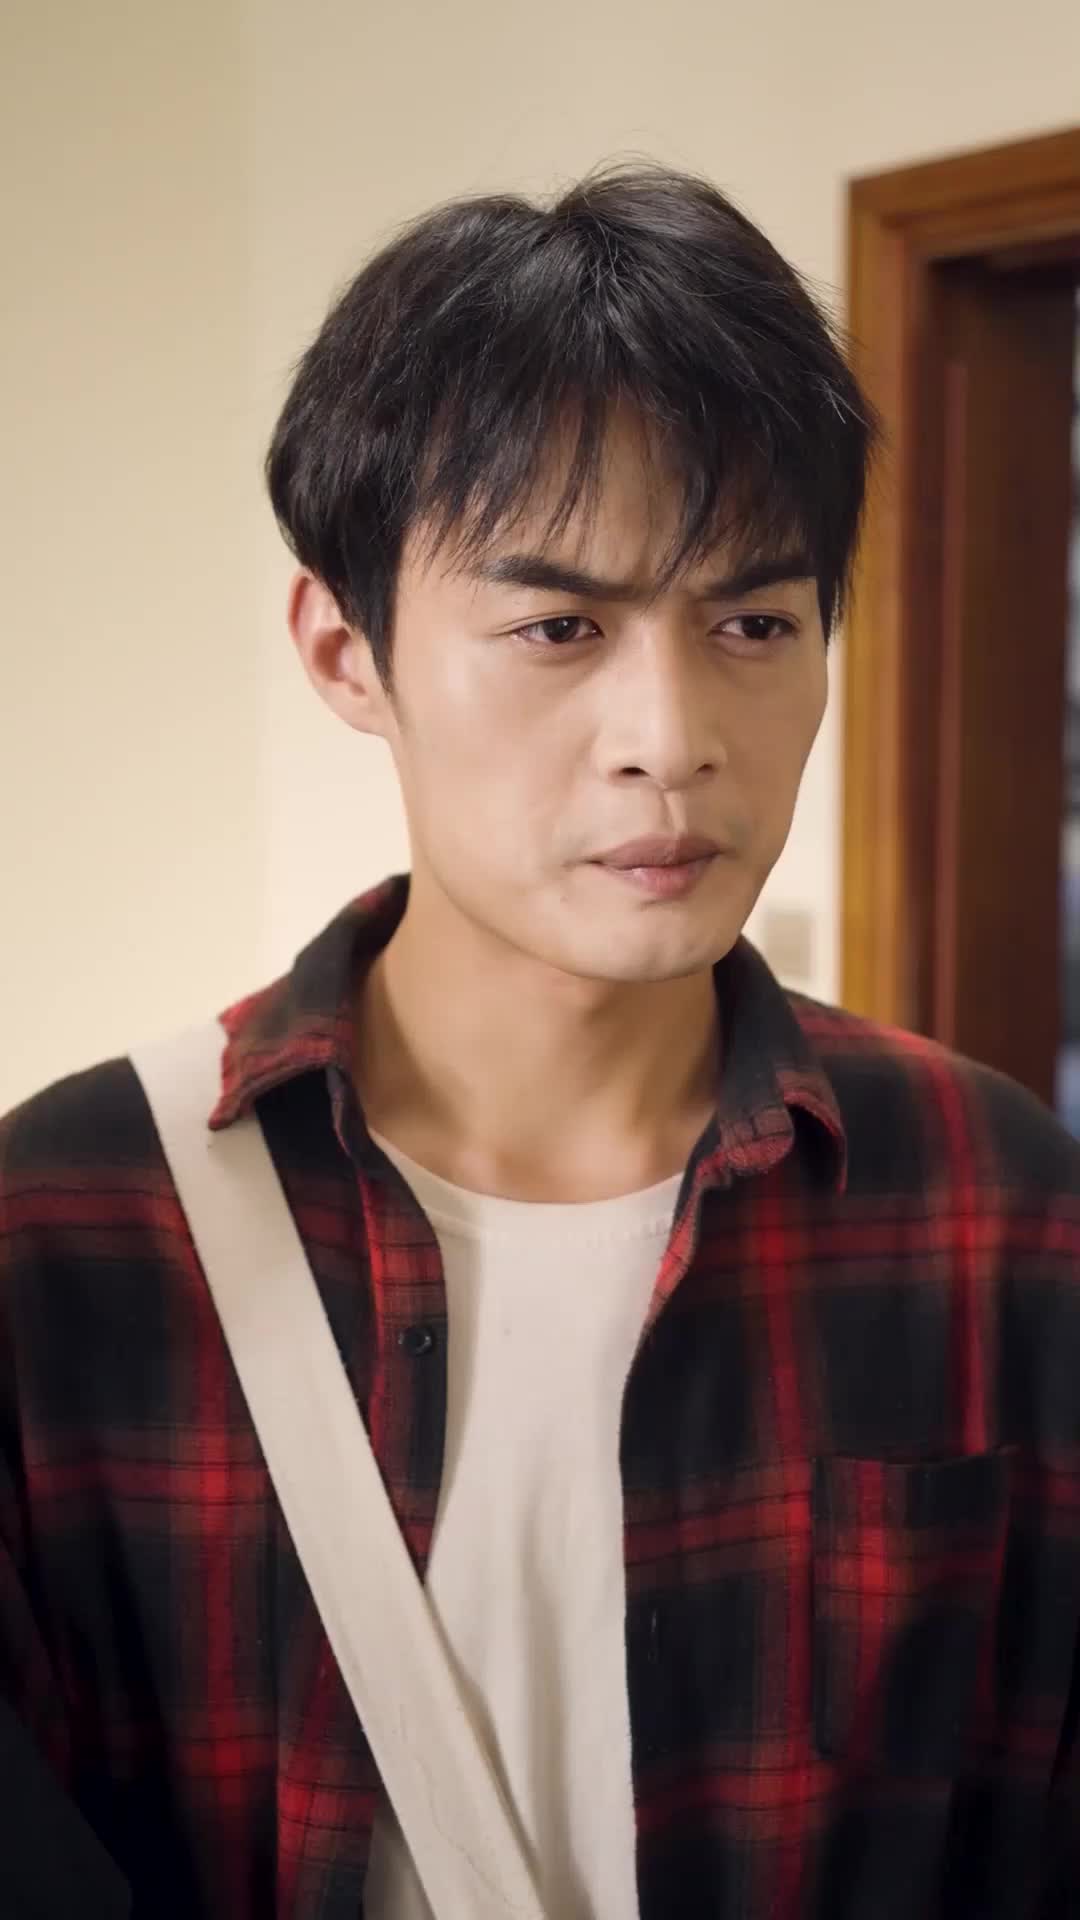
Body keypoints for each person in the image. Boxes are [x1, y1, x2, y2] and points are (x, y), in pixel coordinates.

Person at [1, 164, 1078, 1920]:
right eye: (559, 628)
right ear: (347, 653)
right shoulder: (66, 1234)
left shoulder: (992, 1201)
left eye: (754, 623)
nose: (670, 735)